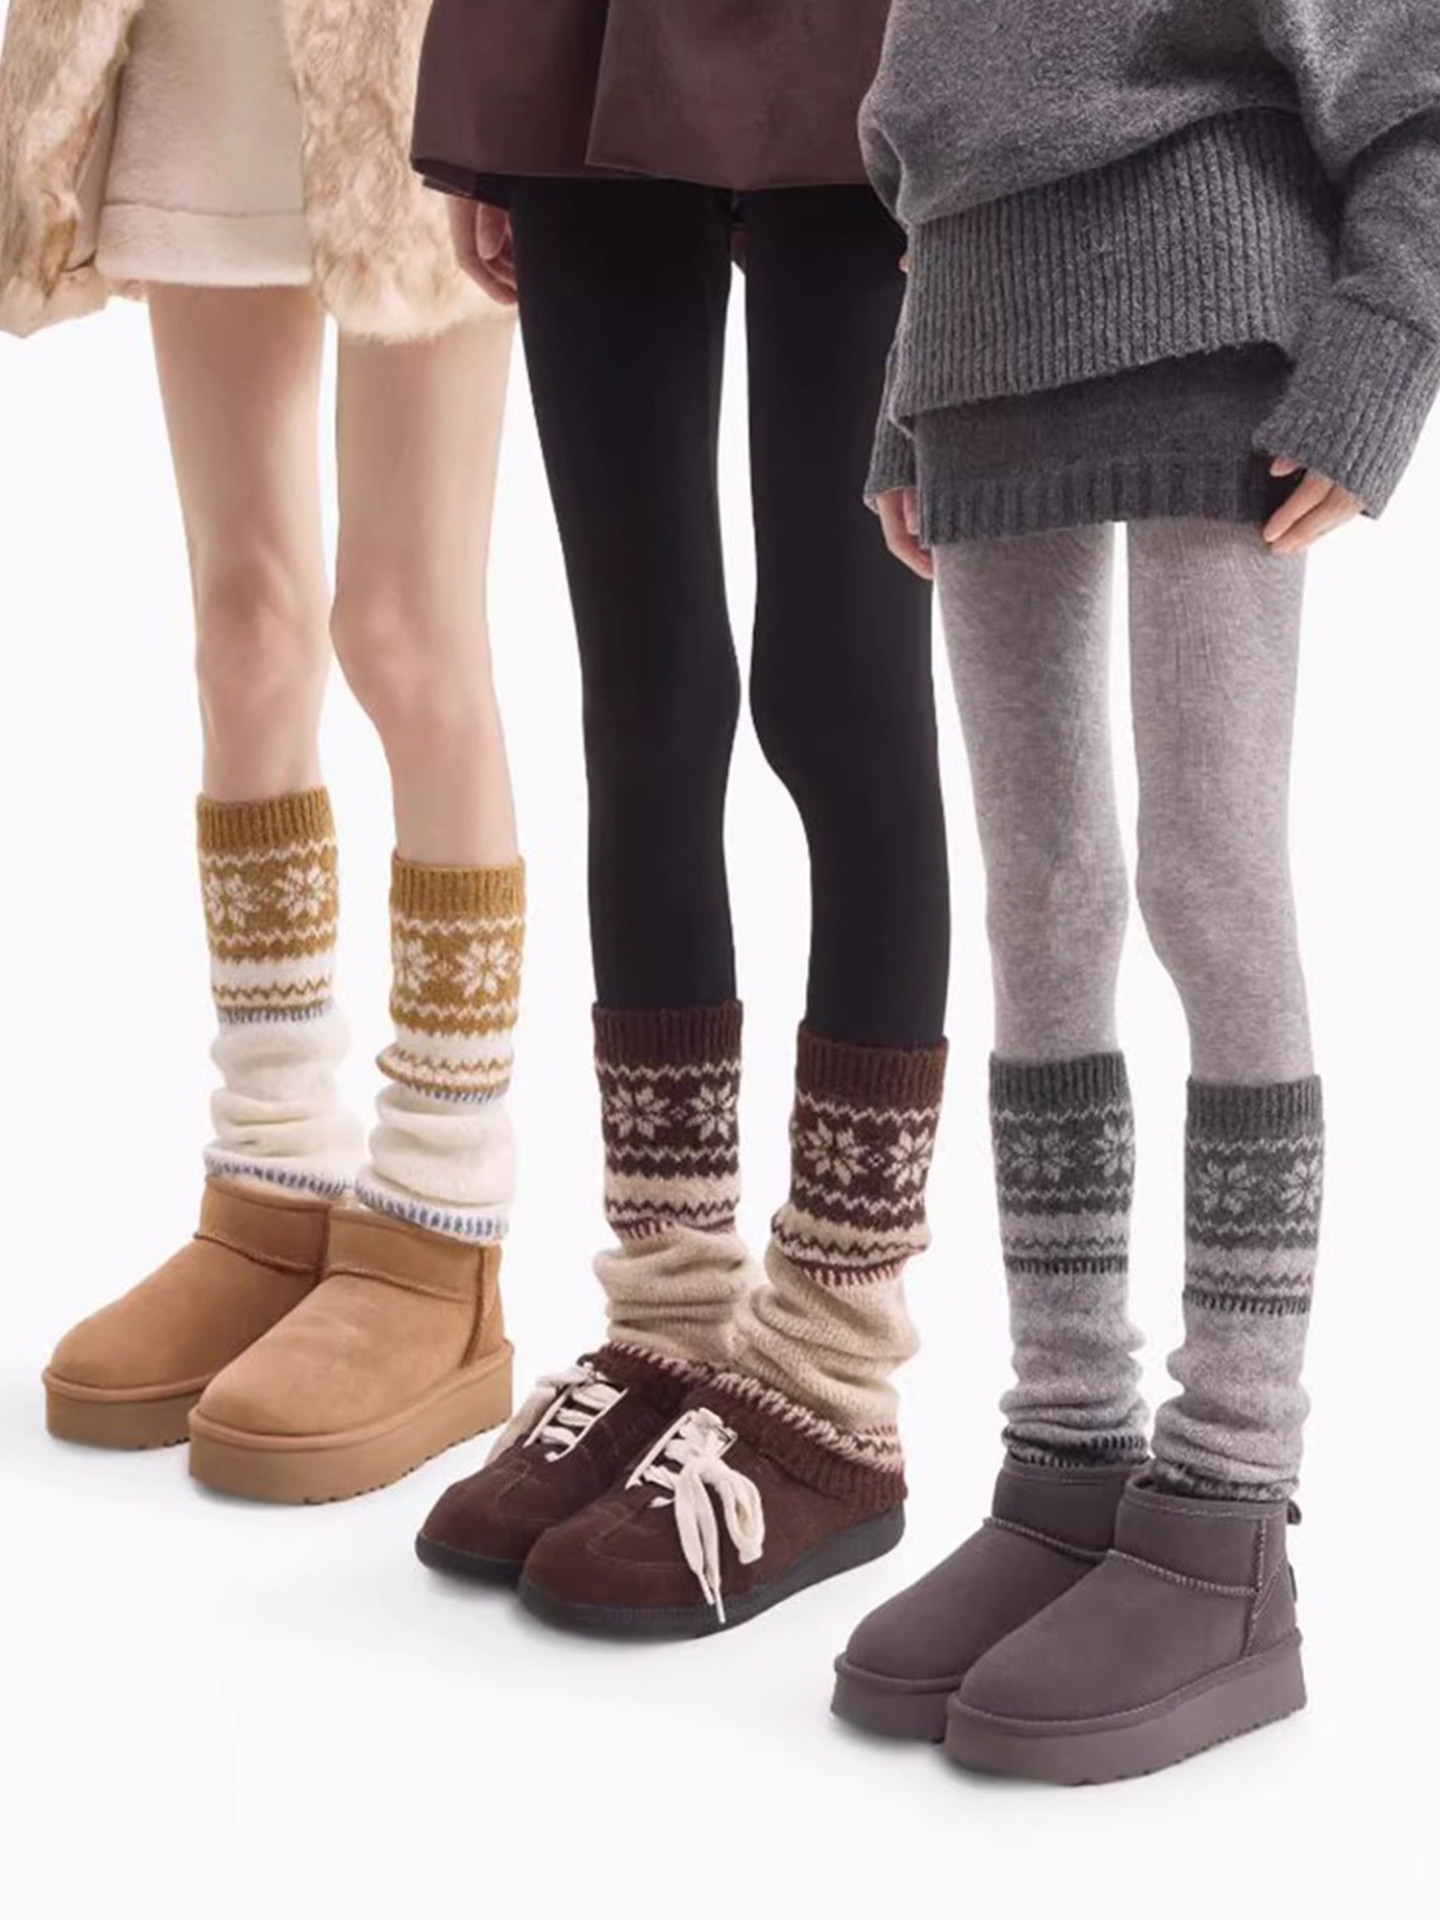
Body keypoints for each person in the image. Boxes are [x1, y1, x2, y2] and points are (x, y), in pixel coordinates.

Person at [833, 0, 1440, 1781]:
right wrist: (903, 402)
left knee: (1209, 879)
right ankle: (1069, 1457)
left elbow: (1416, 88)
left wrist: (1384, 352)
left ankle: (1231, 1504)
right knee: (1038, 901)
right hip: (979, 345)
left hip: (1219, 317)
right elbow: (934, 133)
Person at [409, 0, 952, 1634]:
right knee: (643, 699)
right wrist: (500, 84)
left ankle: (832, 1374)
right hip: (589, 45)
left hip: (869, 52)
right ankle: (670, 1322)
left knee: (838, 693)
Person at [1, 0, 524, 1501]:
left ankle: (439, 1218)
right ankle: (274, 1171)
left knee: (405, 632)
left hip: (419, 57)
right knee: (243, 632)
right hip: (198, 41)